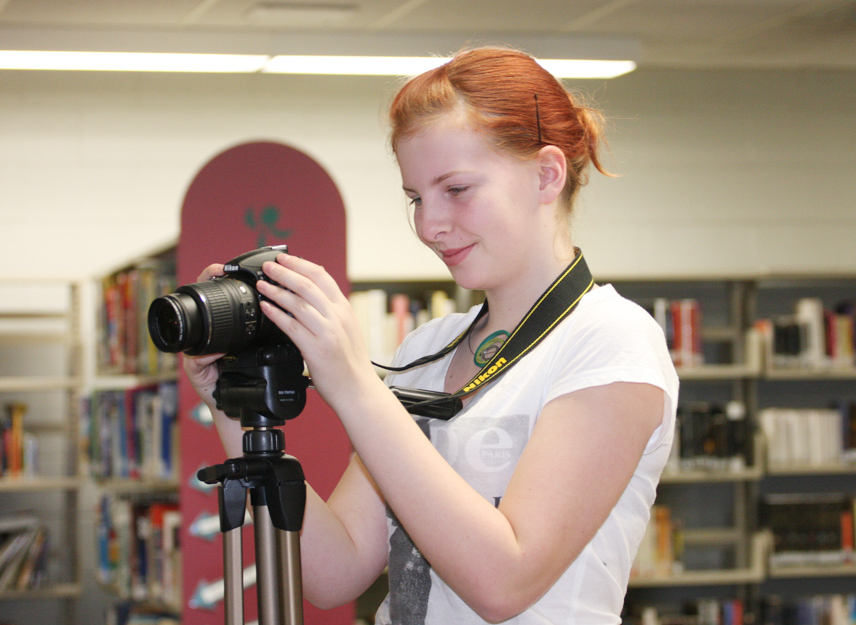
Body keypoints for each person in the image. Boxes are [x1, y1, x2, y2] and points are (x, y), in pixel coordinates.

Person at [185, 46, 679, 625]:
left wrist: (353, 385)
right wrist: (234, 405)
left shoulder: (609, 340)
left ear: (547, 175)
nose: (429, 224)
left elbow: (505, 583)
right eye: (416, 198)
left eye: (457, 190)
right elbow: (332, 572)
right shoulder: (427, 349)